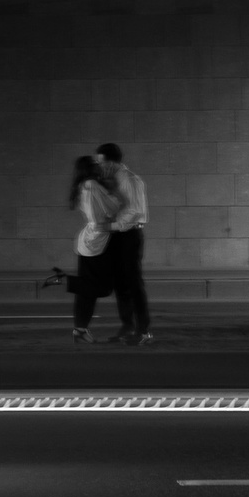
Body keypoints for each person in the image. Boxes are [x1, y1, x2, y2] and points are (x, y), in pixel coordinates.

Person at [94, 141, 153, 345]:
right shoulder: (112, 180)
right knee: (120, 283)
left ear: (111, 162)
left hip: (129, 235)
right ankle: (127, 326)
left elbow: (135, 211)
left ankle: (143, 330)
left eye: (101, 162)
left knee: (133, 283)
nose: (99, 166)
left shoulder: (130, 180)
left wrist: (111, 226)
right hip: (119, 235)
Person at [58, 154, 118, 344]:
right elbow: (110, 209)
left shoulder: (83, 185)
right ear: (90, 168)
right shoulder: (92, 185)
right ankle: (65, 280)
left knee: (87, 291)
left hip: (90, 241)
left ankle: (80, 329)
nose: (99, 166)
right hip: (98, 241)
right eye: (95, 165)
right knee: (102, 287)